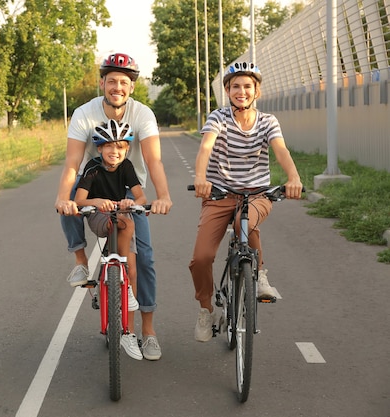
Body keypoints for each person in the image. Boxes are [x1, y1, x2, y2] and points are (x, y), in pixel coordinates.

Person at [54, 52, 173, 361]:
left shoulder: (143, 114)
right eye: (111, 81)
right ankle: (81, 261)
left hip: (129, 195)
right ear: (102, 83)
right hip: (94, 189)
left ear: (131, 87)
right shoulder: (84, 113)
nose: (117, 87)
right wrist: (63, 197)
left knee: (144, 259)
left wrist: (163, 196)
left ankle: (148, 332)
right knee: (67, 200)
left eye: (123, 82)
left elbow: (153, 159)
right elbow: (71, 162)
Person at [189, 62, 303, 342]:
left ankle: (259, 274)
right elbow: (206, 147)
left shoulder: (268, 121)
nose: (241, 91)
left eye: (247, 86)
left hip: (256, 195)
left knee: (246, 223)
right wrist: (201, 178)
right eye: (235, 86)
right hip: (218, 196)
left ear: (257, 91)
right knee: (201, 258)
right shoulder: (218, 118)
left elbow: (281, 150)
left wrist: (294, 178)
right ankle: (206, 310)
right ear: (227, 91)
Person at [74, 119, 147, 360]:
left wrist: (130, 202)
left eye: (119, 147)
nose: (114, 152)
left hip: (121, 213)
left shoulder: (126, 166)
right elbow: (80, 200)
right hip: (98, 216)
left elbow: (140, 197)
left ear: (126, 150)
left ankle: (128, 328)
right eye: (108, 147)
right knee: (124, 223)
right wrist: (97, 202)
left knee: (134, 270)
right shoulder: (92, 168)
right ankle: (121, 273)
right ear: (99, 149)